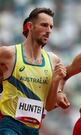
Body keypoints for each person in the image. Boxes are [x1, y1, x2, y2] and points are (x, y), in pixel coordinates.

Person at [0, 7, 66, 135]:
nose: (48, 31)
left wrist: (56, 82)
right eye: (44, 25)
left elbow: (49, 106)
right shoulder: (9, 53)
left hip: (33, 129)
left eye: (51, 27)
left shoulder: (53, 60)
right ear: (30, 26)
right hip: (10, 125)